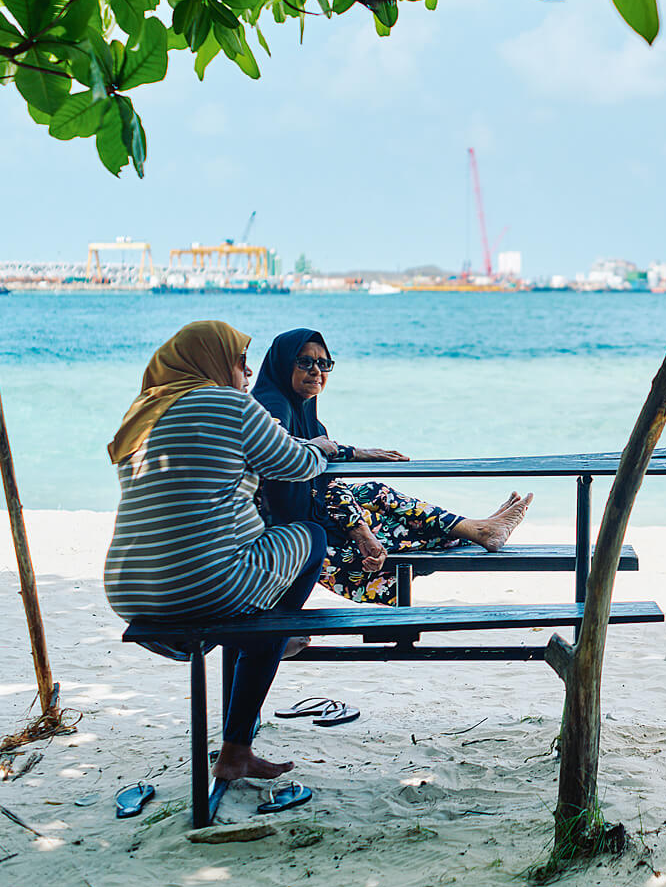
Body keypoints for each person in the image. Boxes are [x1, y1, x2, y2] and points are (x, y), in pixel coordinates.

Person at [104, 321, 338, 782]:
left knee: (249, 565)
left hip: (130, 589)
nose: (248, 373)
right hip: (200, 586)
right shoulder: (228, 404)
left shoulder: (142, 413)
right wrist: (321, 445)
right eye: (238, 361)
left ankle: (267, 642)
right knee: (312, 537)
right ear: (210, 362)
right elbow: (296, 465)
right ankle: (273, 643)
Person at [252, 328, 532, 606]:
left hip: (310, 518)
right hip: (287, 538)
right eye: (304, 362)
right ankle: (477, 530)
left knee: (375, 494)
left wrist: (359, 528)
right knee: (393, 526)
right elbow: (283, 448)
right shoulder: (272, 404)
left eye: (324, 363)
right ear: (282, 364)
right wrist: (353, 453)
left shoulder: (308, 416)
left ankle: (477, 529)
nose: (316, 371)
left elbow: (326, 484)